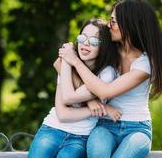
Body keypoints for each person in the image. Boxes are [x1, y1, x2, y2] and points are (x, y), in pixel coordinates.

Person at [59, 0, 162, 158]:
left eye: (114, 21)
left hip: (137, 129)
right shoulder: (109, 50)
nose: (109, 26)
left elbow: (105, 92)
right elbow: (59, 63)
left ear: (130, 25)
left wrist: (75, 61)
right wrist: (90, 100)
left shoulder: (145, 63)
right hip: (105, 125)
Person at [28, 19, 122, 158]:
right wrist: (96, 107)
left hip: (80, 138)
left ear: (105, 46)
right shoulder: (67, 62)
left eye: (94, 41)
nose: (86, 43)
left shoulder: (106, 73)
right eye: (82, 37)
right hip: (51, 129)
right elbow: (63, 114)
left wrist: (69, 61)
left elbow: (69, 97)